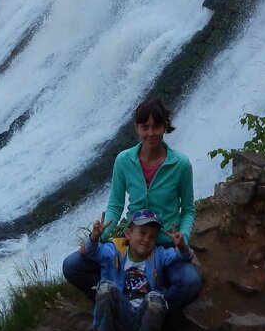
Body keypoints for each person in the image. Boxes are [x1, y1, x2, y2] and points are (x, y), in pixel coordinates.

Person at [63, 97, 203, 316]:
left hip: (166, 246)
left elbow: (188, 209)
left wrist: (183, 239)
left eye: (156, 126)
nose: (151, 133)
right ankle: (116, 308)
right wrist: (97, 238)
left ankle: (148, 316)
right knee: (72, 265)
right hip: (131, 244)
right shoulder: (124, 160)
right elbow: (115, 207)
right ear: (136, 128)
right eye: (144, 127)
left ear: (165, 126)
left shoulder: (181, 164)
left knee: (191, 282)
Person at [80, 208, 192, 331]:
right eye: (142, 233)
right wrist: (94, 237)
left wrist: (182, 246)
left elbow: (182, 257)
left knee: (156, 299)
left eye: (152, 236)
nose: (147, 239)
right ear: (128, 233)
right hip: (120, 320)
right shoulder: (114, 251)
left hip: (144, 322)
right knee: (104, 288)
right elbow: (90, 251)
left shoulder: (158, 255)